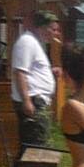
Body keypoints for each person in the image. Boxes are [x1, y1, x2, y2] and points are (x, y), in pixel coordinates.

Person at [8, 11, 61, 153]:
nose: (56, 34)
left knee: (36, 144)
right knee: (36, 145)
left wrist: (51, 72)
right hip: (33, 101)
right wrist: (26, 101)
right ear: (42, 27)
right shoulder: (27, 42)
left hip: (37, 101)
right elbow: (20, 72)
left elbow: (32, 72)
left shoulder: (35, 43)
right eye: (53, 29)